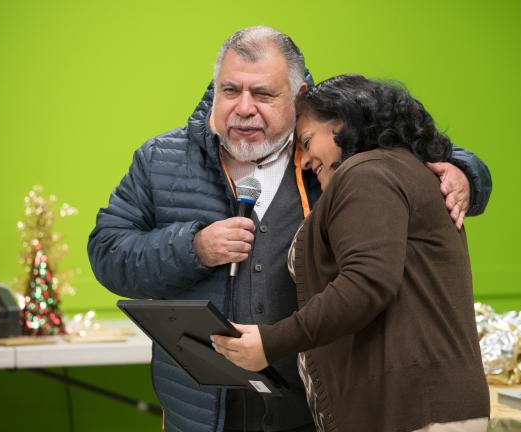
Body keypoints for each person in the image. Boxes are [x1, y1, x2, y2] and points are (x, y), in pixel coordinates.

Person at [88, 27, 492, 432]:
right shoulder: (160, 160)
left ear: (298, 96)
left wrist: (466, 175)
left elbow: (412, 144)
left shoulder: (340, 145)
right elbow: (106, 251)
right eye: (230, 91)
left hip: (320, 409)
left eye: (263, 95)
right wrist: (193, 247)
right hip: (201, 413)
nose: (244, 108)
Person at [212, 74, 490, 432]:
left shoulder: (366, 174)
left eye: (308, 140)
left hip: (409, 409)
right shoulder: (396, 171)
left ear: (343, 123)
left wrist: (271, 341)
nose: (306, 158)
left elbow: (365, 284)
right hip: (425, 406)